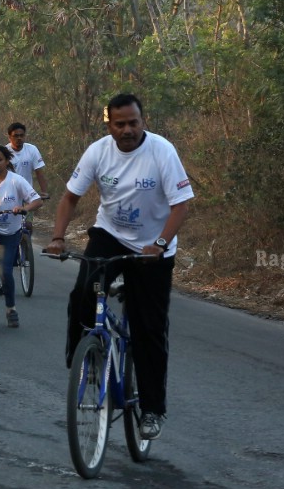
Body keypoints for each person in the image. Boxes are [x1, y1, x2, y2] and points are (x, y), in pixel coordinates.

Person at [44, 94, 194, 441]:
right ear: (109, 124)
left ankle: (153, 410)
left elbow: (182, 204)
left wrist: (159, 244)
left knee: (149, 329)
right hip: (110, 234)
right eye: (119, 124)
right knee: (83, 290)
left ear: (143, 121)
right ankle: (82, 354)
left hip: (153, 246)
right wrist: (57, 237)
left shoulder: (161, 151)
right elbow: (69, 197)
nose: (127, 130)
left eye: (133, 123)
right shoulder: (98, 152)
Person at [0, 146, 44, 328]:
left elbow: (37, 200)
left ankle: (10, 308)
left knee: (5, 271)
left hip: (10, 232)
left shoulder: (16, 181)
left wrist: (24, 209)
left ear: (7, 162)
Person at [6, 122, 50, 198]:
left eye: (21, 135)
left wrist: (44, 192)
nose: (19, 138)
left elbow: (39, 172)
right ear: (9, 137)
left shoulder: (32, 149)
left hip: (27, 193)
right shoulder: (4, 152)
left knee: (31, 209)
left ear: (25, 136)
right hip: (9, 195)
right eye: (16, 136)